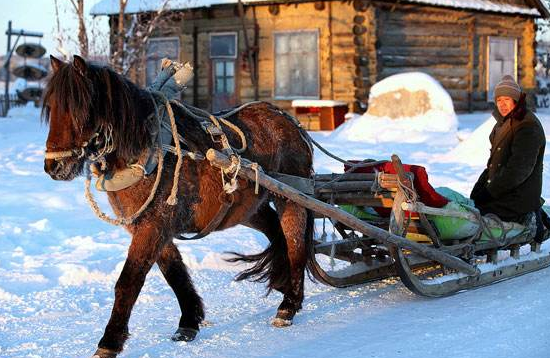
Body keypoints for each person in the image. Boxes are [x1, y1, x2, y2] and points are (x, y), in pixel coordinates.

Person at [470, 75, 548, 242]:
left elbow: (518, 170)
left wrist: (490, 193)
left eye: (507, 99)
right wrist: (479, 189)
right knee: (471, 207)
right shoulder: (502, 124)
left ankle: (531, 215)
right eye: (499, 99)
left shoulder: (528, 127)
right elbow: (494, 163)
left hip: (519, 196)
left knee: (477, 216)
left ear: (517, 101)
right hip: (503, 191)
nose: (502, 104)